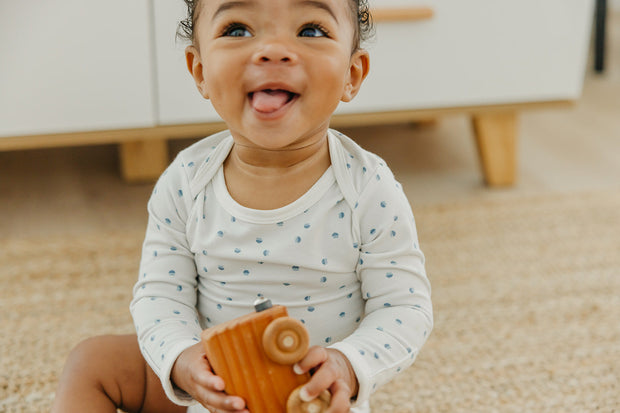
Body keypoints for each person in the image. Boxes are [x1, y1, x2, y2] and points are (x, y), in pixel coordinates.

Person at [51, 0, 433, 412]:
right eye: (237, 30)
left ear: (351, 75)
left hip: (311, 399)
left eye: (310, 30)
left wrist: (347, 365)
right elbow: (160, 296)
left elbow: (404, 307)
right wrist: (181, 359)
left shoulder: (367, 189)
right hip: (215, 389)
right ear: (199, 72)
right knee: (93, 362)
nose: (273, 51)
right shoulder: (186, 182)